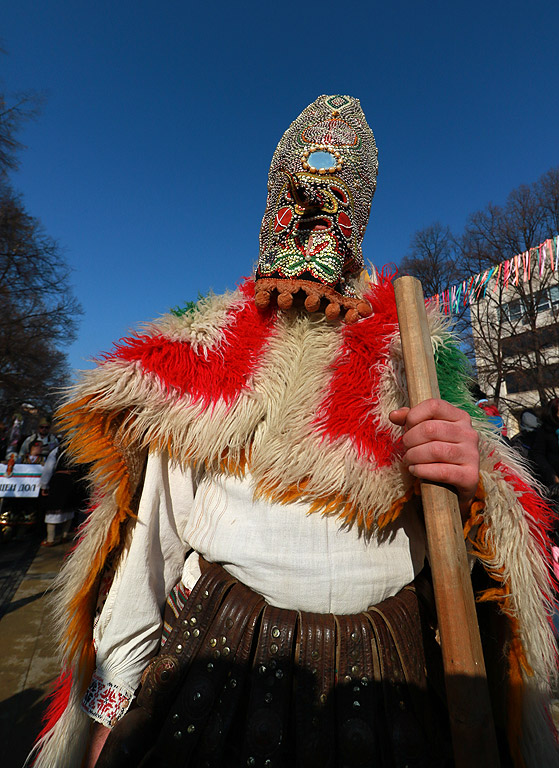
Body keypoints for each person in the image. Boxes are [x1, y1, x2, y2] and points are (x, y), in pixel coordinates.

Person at [32, 96, 558, 768]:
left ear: (358, 221)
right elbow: (149, 548)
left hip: (388, 677)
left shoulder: (419, 355)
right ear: (268, 205)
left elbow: (484, 541)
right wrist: (109, 710)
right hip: (217, 665)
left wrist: (472, 477)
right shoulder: (199, 354)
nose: (311, 216)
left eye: (333, 201)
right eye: (295, 196)